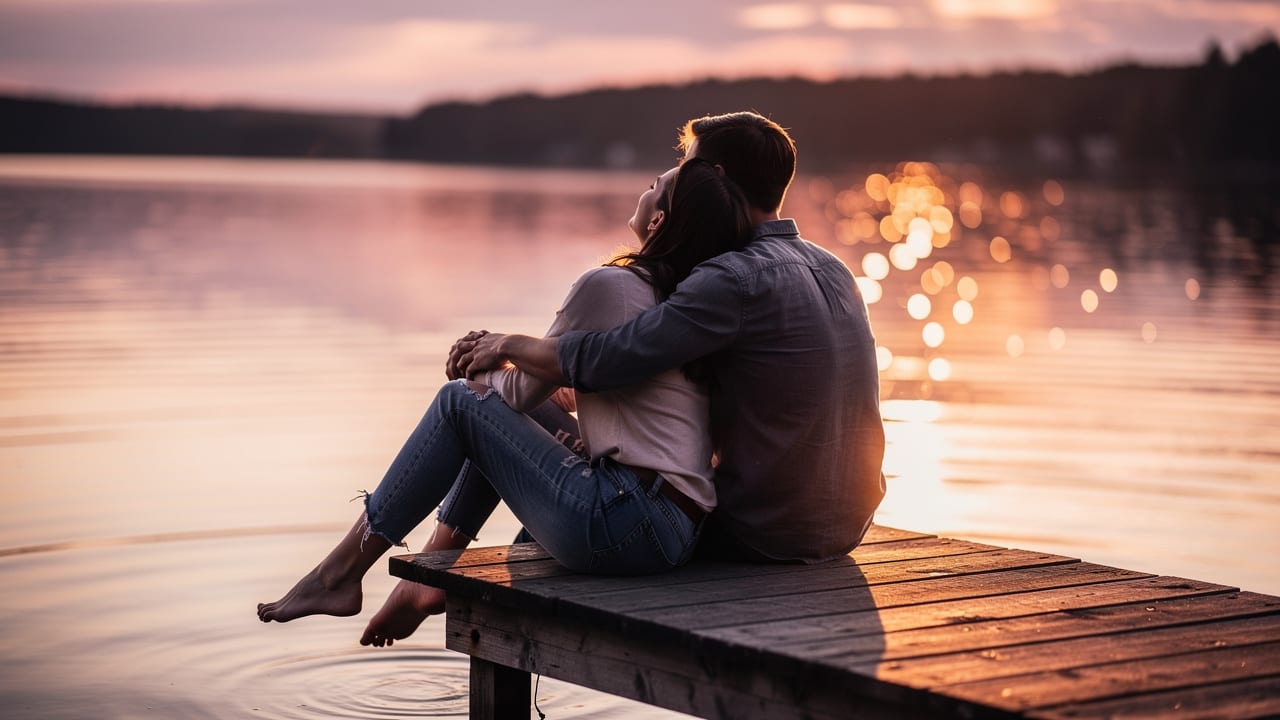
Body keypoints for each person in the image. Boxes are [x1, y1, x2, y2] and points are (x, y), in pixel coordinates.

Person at [257, 158, 754, 645]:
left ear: (659, 219)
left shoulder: (611, 286)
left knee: (460, 403)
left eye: (653, 185)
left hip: (625, 526)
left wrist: (481, 355)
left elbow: (515, 391)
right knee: (492, 412)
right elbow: (632, 401)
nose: (643, 190)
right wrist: (507, 367)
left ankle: (341, 572)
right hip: (678, 529)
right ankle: (428, 576)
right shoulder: (684, 302)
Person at [458, 111, 886, 564]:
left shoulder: (733, 277)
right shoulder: (835, 269)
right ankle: (455, 570)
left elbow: (612, 357)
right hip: (849, 524)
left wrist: (508, 345)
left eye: (687, 165)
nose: (678, 174)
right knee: (580, 461)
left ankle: (469, 573)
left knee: (526, 439)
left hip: (766, 529)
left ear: (712, 179)